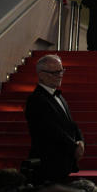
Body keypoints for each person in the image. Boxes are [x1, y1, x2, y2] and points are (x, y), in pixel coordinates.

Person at [24, 54, 84, 183]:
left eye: (61, 70)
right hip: (48, 162)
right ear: (41, 74)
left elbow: (71, 123)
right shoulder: (36, 99)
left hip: (63, 161)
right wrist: (74, 147)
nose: (60, 75)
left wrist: (80, 140)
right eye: (55, 72)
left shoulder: (59, 96)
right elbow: (50, 130)